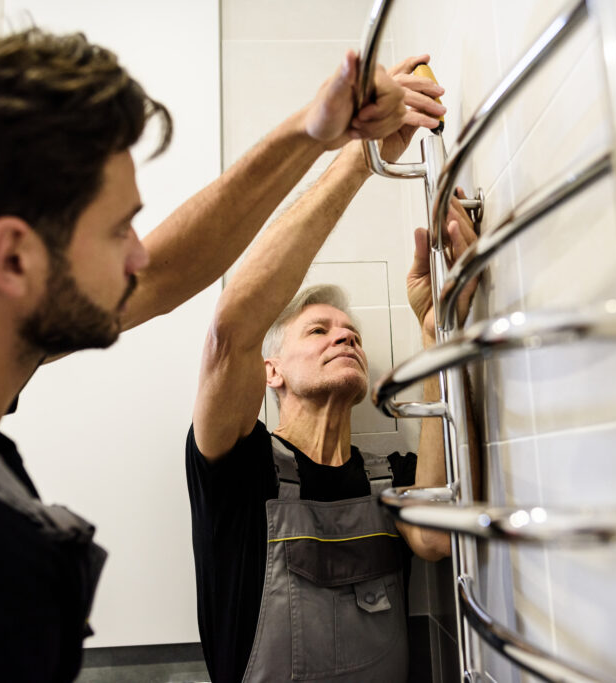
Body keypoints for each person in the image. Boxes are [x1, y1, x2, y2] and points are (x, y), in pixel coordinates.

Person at [0, 23, 425, 682]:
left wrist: (313, 136)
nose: (138, 253)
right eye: (118, 230)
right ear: (13, 257)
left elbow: (164, 273)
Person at [185, 58, 480, 680]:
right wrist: (362, 156)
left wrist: (435, 330)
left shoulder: (390, 476)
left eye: (351, 333)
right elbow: (230, 330)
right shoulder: (239, 468)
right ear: (271, 371)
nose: (343, 336)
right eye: (316, 331)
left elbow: (433, 540)